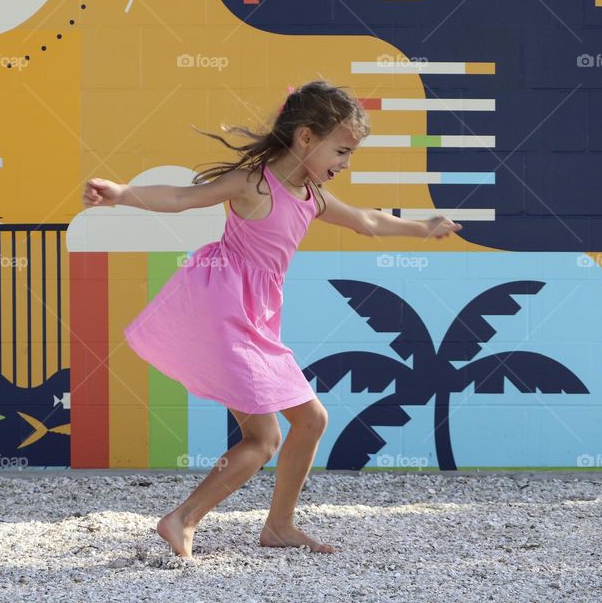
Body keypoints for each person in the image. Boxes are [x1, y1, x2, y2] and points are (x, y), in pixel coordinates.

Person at [81, 80, 461, 558]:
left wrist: (422, 228)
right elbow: (181, 198)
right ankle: (182, 519)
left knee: (310, 421)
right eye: (341, 152)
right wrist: (121, 194)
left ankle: (279, 525)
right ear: (306, 137)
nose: (343, 165)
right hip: (222, 311)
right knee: (263, 438)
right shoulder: (254, 183)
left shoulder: (312, 197)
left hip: (256, 321)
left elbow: (367, 220)